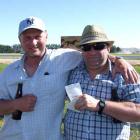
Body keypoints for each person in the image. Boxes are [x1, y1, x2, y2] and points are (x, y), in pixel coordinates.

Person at [0, 17, 138, 140]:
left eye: (37, 36)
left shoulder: (63, 58)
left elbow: (95, 55)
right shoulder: (9, 72)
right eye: (27, 38)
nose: (33, 42)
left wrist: (118, 60)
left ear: (46, 36)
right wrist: (15, 105)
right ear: (20, 40)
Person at [64, 25, 140, 140]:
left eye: (98, 46)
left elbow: (138, 111)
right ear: (81, 51)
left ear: (108, 48)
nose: (92, 52)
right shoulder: (71, 68)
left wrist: (100, 105)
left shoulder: (125, 73)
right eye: (86, 47)